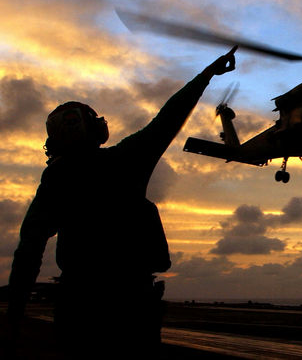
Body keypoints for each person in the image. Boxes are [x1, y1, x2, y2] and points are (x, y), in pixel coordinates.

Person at [7, 46, 237, 358]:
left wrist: (14, 314)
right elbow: (168, 118)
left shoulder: (55, 180)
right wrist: (207, 75)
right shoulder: (126, 159)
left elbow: (29, 250)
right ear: (95, 129)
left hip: (79, 307)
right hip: (133, 307)